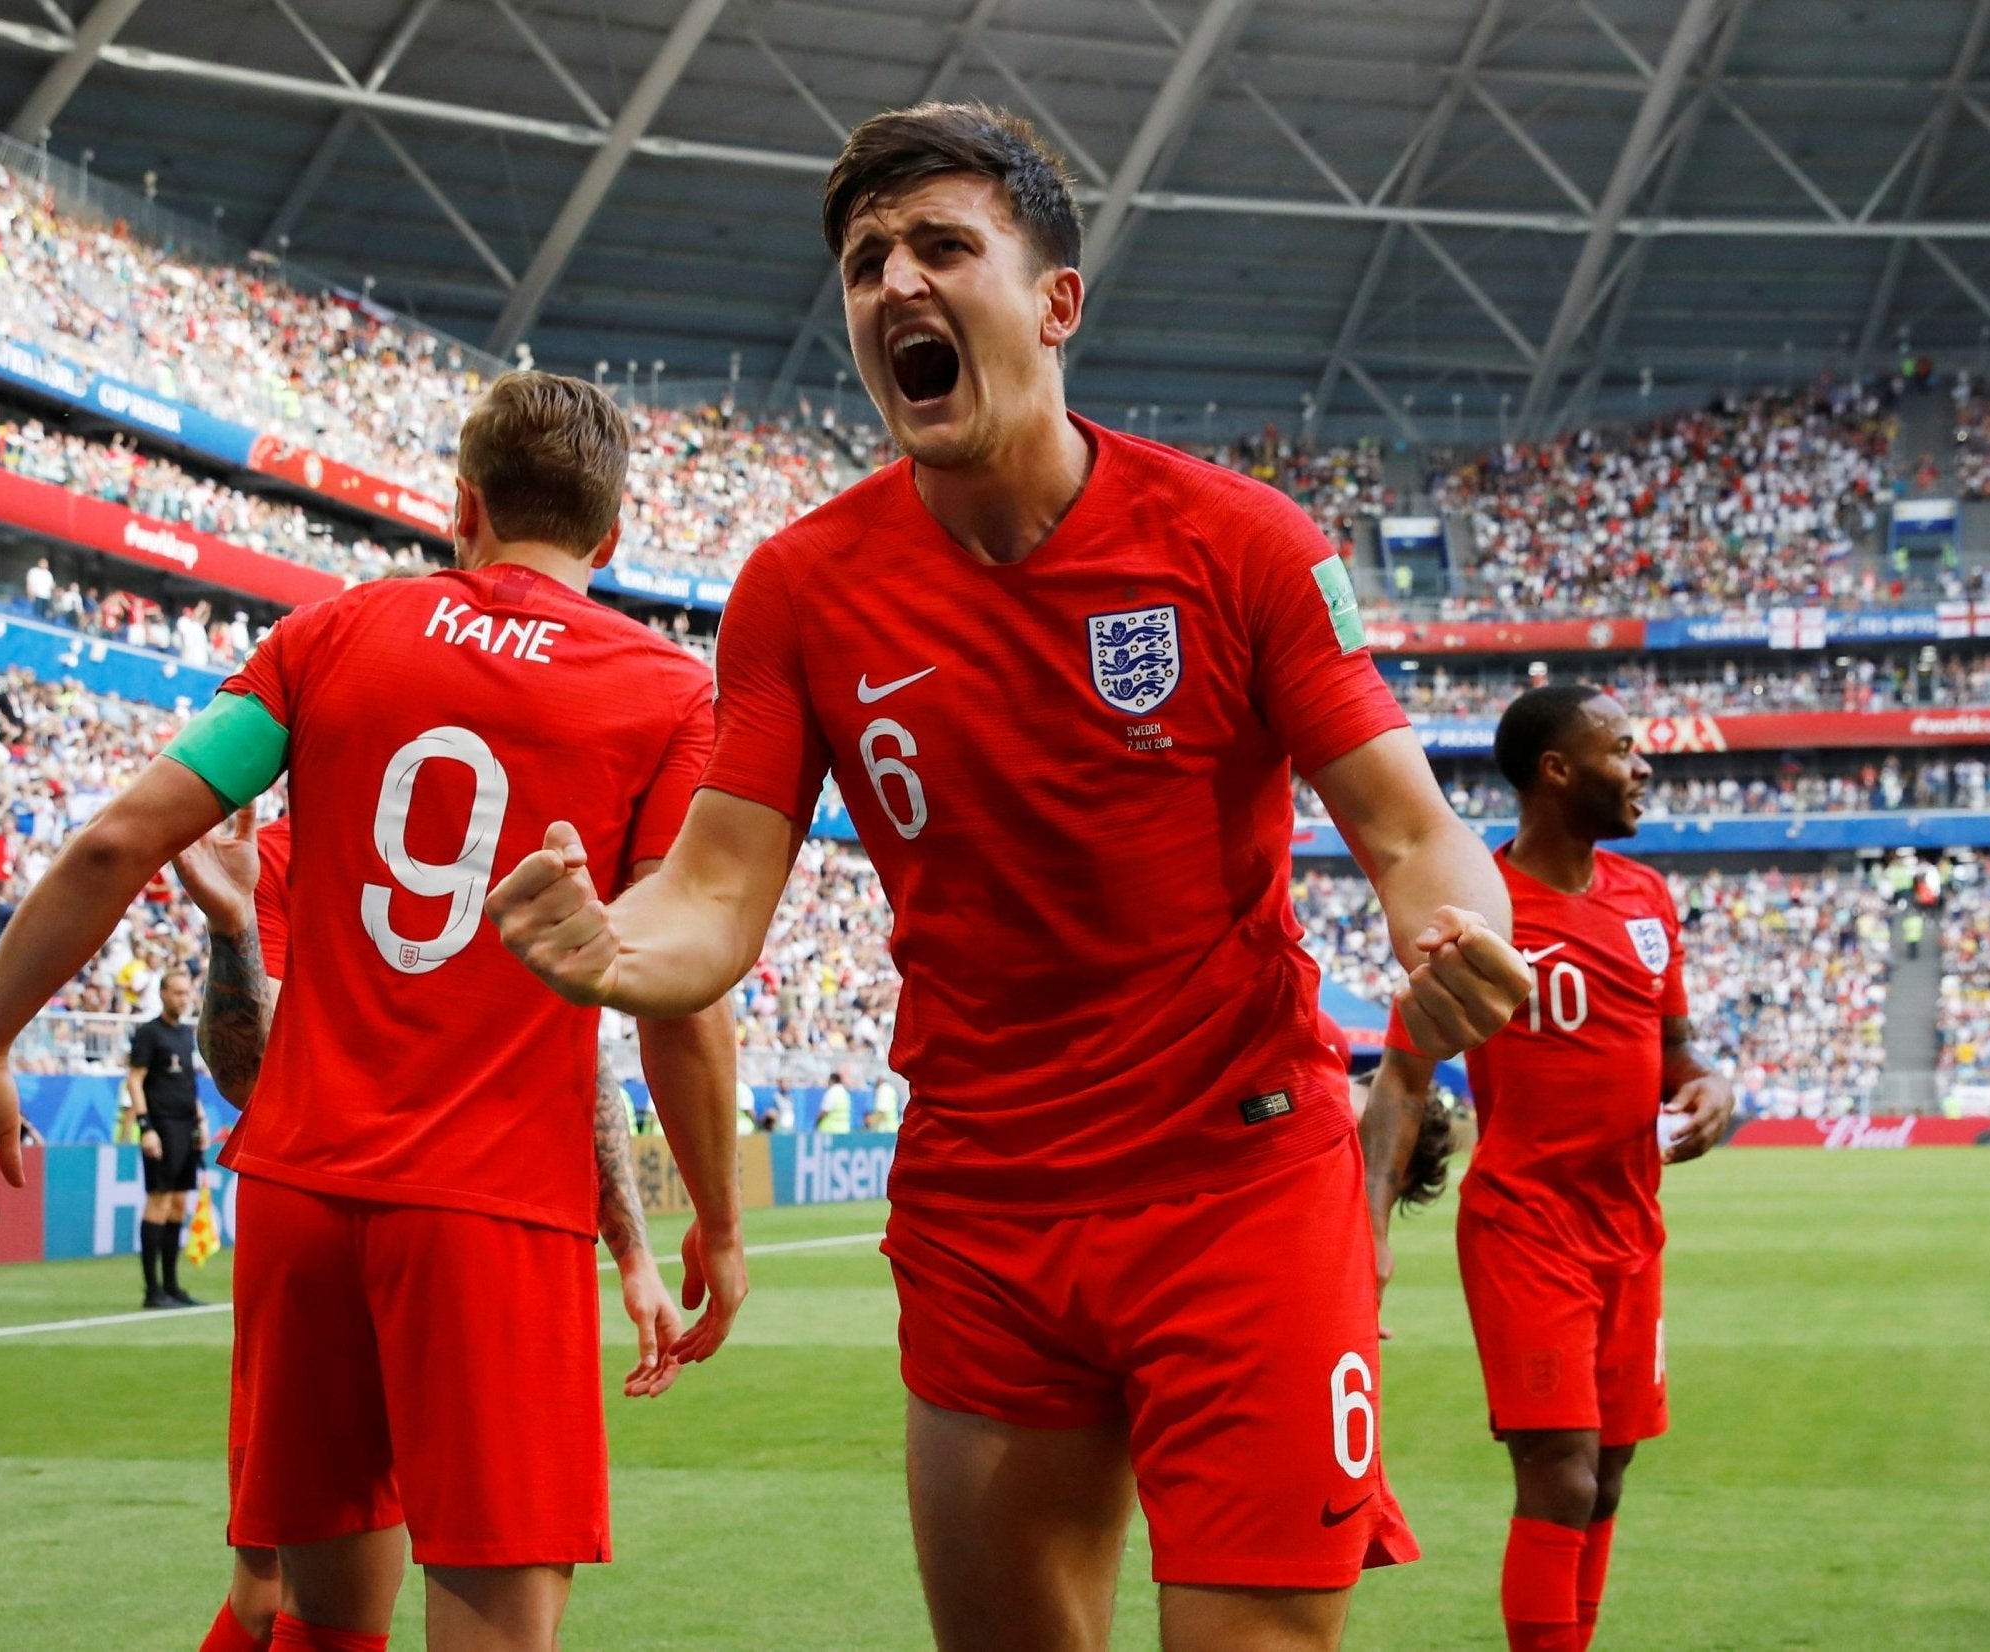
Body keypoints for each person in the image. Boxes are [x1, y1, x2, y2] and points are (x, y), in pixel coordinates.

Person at [488, 104, 1529, 1652]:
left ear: (1055, 303)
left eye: (940, 246)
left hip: (1234, 1185)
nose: (893, 281)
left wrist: (1459, 926)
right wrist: (607, 949)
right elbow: (710, 891)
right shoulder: (799, 589)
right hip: (984, 1208)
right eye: (864, 261)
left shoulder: (1237, 544)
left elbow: (1405, 825)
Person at [0, 371, 748, 1652]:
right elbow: (676, 996)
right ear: (614, 536)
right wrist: (716, 1220)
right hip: (490, 1206)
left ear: (460, 506)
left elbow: (113, 845)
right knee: (493, 1626)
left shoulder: (323, 639)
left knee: (318, 1618)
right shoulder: (666, 695)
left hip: (304, 1196)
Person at [170, 804, 689, 1652]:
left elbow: (577, 1055)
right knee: (272, 1597)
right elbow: (246, 1072)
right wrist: (233, 931)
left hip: (476, 1231)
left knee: (484, 1595)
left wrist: (633, 1252)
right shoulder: (279, 853)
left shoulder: (514, 854)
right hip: (323, 1215)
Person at [1361, 684, 1735, 1652]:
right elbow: (1404, 1077)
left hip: (1631, 1227)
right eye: (1621, 746)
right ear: (1557, 770)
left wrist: (1710, 1088)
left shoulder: (1647, 898)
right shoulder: (1477, 909)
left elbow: (1677, 1049)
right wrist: (1368, 1241)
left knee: (1607, 1472)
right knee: (1561, 1470)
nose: (1643, 763)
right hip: (1529, 1225)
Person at [126, 966, 208, 1309]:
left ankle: (172, 1286)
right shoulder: (149, 1033)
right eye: (177, 992)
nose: (183, 998)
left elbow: (187, 1084)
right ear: (162, 994)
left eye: (187, 992)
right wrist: (146, 1127)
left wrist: (200, 1119)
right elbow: (134, 1079)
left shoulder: (186, 1035)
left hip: (185, 1125)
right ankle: (152, 1290)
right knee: (158, 1200)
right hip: (161, 1125)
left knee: (177, 1204)